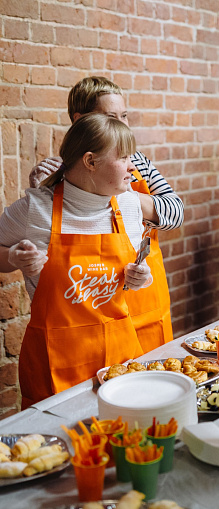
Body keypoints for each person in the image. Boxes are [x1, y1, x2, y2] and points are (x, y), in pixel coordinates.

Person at [0, 113, 153, 408]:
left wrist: (141, 276)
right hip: (55, 363)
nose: (133, 166)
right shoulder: (36, 208)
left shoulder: (130, 205)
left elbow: (135, 274)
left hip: (120, 359)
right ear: (90, 161)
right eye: (123, 157)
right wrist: (14, 258)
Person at [29, 76, 184, 353]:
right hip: (90, 304)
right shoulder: (56, 171)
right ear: (80, 120)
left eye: (124, 115)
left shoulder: (138, 162)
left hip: (145, 289)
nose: (122, 125)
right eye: (111, 116)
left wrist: (123, 196)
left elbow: (176, 212)